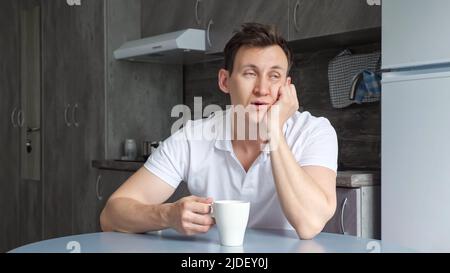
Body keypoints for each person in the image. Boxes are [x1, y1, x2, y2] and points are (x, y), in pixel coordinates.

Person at [100, 23, 338, 239]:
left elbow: (310, 224)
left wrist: (274, 132)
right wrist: (167, 215)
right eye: (250, 73)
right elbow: (111, 215)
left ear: (287, 87)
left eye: (274, 76)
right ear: (225, 81)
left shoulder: (314, 132)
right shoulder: (193, 137)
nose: (263, 89)